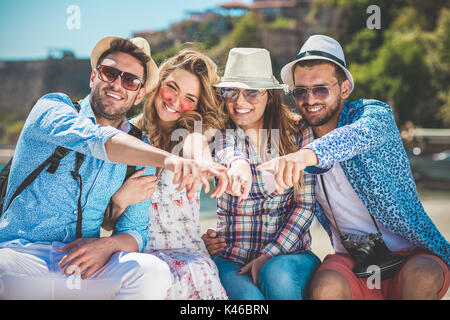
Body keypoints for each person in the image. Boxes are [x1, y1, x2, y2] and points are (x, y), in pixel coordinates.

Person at [0, 36, 225, 299]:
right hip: (21, 256)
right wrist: (170, 159)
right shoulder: (52, 108)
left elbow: (135, 230)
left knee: (153, 273)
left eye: (129, 80)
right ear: (94, 76)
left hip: (86, 265)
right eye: (110, 73)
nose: (117, 84)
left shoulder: (143, 146)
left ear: (139, 93)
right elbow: (98, 138)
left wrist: (107, 246)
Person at [258, 35, 450, 300]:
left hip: (411, 254)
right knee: (325, 289)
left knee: (423, 274)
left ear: (344, 88)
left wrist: (305, 156)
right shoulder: (297, 136)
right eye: (301, 91)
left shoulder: (373, 115)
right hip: (351, 261)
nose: (310, 99)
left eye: (321, 89)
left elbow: (358, 136)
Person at [106, 49, 229, 299]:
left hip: (188, 256)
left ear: (197, 105)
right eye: (171, 87)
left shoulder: (193, 134)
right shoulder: (126, 137)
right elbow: (107, 223)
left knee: (197, 273)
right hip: (137, 256)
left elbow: (198, 146)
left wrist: (202, 163)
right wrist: (121, 200)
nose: (175, 101)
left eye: (189, 98)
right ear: (158, 83)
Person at [202, 48, 320, 300]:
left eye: (251, 92)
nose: (239, 101)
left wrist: (269, 254)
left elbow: (306, 206)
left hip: (290, 254)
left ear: (271, 96)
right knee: (247, 299)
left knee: (276, 274)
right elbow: (230, 153)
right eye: (231, 91)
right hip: (232, 257)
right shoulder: (220, 135)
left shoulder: (300, 133)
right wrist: (238, 164)